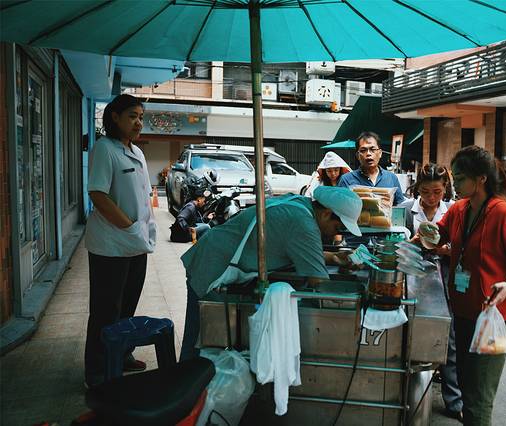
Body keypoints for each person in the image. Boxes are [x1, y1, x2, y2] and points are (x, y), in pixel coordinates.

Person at [179, 186, 363, 361]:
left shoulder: (300, 204)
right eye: (338, 228)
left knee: (208, 336)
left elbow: (298, 248)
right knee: (201, 336)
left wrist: (336, 258)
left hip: (216, 252)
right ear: (326, 213)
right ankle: (183, 389)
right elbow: (319, 283)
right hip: (213, 264)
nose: (336, 234)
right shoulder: (303, 223)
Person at [421, 146, 506, 425]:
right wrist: (416, 238)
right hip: (463, 309)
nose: (454, 185)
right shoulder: (460, 209)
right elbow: (438, 236)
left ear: (481, 178)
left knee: (479, 395)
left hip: (493, 315)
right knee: (465, 383)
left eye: (459, 178)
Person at [84, 94, 157, 388]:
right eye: (132, 116)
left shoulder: (136, 152)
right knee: (105, 311)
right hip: (111, 246)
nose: (138, 122)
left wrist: (140, 231)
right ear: (114, 117)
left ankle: (123, 355)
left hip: (136, 245)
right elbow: (98, 194)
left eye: (140, 116)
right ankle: (97, 371)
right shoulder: (105, 149)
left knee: (127, 306)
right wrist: (128, 227)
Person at [405, 163, 463, 421]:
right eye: (426, 191)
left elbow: (460, 248)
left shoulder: (451, 211)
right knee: (409, 330)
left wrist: (444, 250)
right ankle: (406, 390)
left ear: (445, 190)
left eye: (437, 192)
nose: (431, 198)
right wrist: (414, 242)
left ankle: (455, 400)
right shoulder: (408, 210)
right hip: (414, 276)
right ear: (418, 188)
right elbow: (397, 244)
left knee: (448, 334)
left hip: (444, 275)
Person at [338, 131, 406, 206]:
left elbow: (400, 207)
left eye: (373, 149)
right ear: (357, 155)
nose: (368, 154)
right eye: (363, 150)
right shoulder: (346, 180)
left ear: (380, 153)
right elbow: (340, 209)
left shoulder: (391, 178)